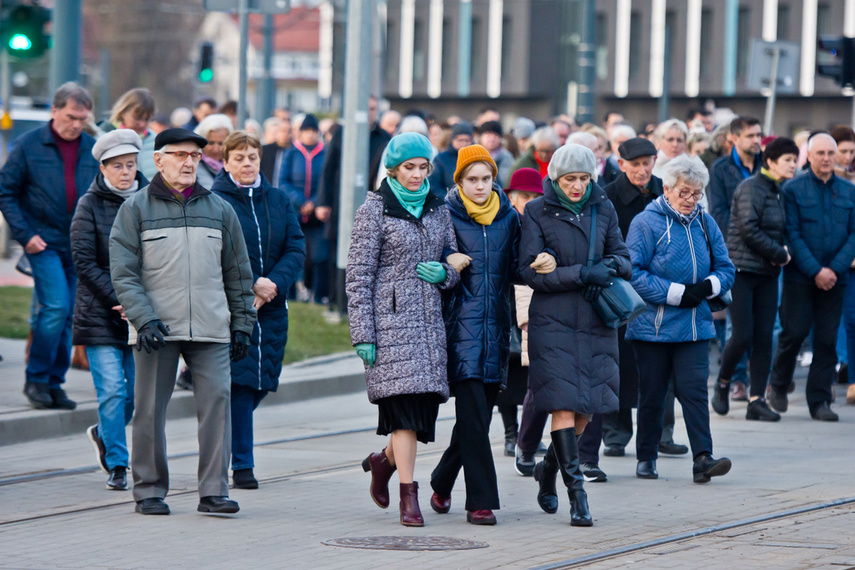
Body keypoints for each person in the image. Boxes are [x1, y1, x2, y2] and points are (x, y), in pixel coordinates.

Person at [109, 128, 256, 516]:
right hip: (156, 329)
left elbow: (239, 273)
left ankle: (213, 491)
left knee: (217, 406)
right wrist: (144, 319)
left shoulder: (220, 209)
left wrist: (242, 323)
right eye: (179, 155)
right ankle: (149, 490)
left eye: (194, 155)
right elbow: (124, 273)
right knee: (148, 411)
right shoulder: (136, 209)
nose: (189, 162)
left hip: (212, 326)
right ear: (158, 160)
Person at [347, 132, 460, 528]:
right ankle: (408, 499)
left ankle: (383, 462)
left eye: (422, 167)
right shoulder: (374, 209)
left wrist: (445, 273)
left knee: (421, 415)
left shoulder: (438, 208)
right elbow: (358, 275)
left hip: (429, 329)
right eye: (408, 167)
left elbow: (454, 260)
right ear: (393, 169)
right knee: (404, 417)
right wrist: (363, 333)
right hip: (390, 326)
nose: (416, 174)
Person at [520, 144, 631, 526]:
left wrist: (610, 265)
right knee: (564, 403)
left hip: (597, 319)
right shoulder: (536, 211)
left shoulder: (604, 208)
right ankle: (577, 494)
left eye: (584, 179)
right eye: (570, 179)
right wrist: (581, 274)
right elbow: (530, 272)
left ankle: (548, 469)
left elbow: (624, 256)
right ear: (555, 178)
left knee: (587, 406)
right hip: (553, 322)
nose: (578, 186)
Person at [625, 154, 735, 483]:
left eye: (696, 193)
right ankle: (646, 456)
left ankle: (703, 458)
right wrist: (676, 292)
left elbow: (726, 267)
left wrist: (707, 287)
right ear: (668, 189)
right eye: (684, 192)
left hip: (695, 325)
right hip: (653, 328)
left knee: (694, 392)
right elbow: (633, 272)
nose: (690, 199)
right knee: (654, 394)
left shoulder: (705, 221)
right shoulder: (646, 222)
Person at [430, 145, 520, 526]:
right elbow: (427, 260)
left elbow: (518, 266)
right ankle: (480, 501)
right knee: (472, 415)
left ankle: (441, 478)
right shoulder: (443, 215)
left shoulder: (509, 217)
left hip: (496, 329)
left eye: (486, 179)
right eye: (473, 179)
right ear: (460, 181)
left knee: (476, 420)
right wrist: (444, 262)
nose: (481, 186)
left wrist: (542, 261)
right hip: (458, 329)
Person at [211, 131, 306, 489]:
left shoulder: (278, 199)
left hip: (273, 306)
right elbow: (215, 251)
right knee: (242, 383)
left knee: (264, 380)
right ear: (225, 162)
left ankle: (222, 433)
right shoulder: (216, 201)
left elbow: (296, 246)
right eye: (239, 158)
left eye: (252, 157)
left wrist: (273, 284)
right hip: (235, 305)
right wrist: (252, 283)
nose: (247, 163)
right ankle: (243, 465)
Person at [0, 82, 100, 410]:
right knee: (55, 307)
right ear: (54, 111)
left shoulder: (90, 146)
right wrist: (25, 234)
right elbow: (6, 191)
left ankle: (55, 383)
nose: (76, 124)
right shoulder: (30, 145)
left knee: (70, 314)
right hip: (43, 243)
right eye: (71, 116)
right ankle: (36, 378)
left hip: (78, 244)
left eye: (82, 119)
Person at [71, 129, 148, 490]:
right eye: (117, 166)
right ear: (103, 167)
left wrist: (139, 302)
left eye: (130, 165)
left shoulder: (151, 200)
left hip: (141, 314)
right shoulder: (89, 204)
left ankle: (104, 432)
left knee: (135, 393)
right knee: (113, 391)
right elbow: (84, 262)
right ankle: (119, 464)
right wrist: (118, 299)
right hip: (101, 312)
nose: (125, 172)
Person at [768, 133, 855, 422]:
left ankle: (820, 400)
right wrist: (816, 270)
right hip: (801, 276)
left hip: (836, 277)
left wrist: (833, 270)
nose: (828, 158)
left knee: (827, 340)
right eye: (821, 153)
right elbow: (791, 233)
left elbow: (853, 235)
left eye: (832, 153)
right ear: (811, 155)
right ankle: (778, 384)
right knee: (794, 333)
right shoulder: (792, 189)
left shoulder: (848, 190)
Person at [713, 137, 799, 421]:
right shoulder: (751, 187)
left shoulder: (780, 190)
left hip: (767, 273)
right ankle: (723, 382)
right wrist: (780, 253)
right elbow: (748, 228)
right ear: (771, 162)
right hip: (742, 270)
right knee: (742, 334)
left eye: (795, 159)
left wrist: (780, 253)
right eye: (788, 159)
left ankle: (756, 400)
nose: (794, 165)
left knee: (764, 337)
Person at [601, 137, 663, 457]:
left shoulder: (664, 190)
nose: (642, 170)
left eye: (646, 163)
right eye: (634, 164)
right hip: (621, 287)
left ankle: (662, 432)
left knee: (660, 363)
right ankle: (615, 431)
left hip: (660, 287)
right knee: (619, 361)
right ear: (621, 164)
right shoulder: (608, 195)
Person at [280, 114, 328, 304]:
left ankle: (317, 295)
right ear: (300, 133)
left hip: (317, 215)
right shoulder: (291, 153)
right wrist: (300, 202)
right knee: (293, 254)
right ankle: (291, 296)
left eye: (313, 131)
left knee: (318, 256)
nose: (310, 135)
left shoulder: (324, 153)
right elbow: (283, 181)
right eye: (306, 131)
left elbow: (327, 181)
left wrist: (315, 202)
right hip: (295, 213)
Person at [100, 87, 157, 180]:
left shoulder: (155, 141)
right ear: (123, 112)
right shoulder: (103, 137)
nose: (142, 124)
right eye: (137, 118)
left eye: (147, 119)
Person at [429, 122, 474, 196]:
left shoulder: (476, 158)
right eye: (460, 140)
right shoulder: (441, 159)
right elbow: (434, 186)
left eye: (467, 140)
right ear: (453, 140)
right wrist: (449, 199)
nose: (464, 144)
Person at [193, 114, 234, 189]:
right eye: (211, 143)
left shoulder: (235, 165)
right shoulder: (192, 167)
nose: (216, 148)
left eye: (221, 143)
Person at [478, 120, 514, 188]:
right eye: (488, 135)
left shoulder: (507, 157)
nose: (492, 139)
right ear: (480, 137)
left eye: (495, 135)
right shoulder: (474, 155)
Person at [260, 116, 292, 184]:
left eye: (289, 131)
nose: (285, 134)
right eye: (283, 131)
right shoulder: (265, 150)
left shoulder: (295, 152)